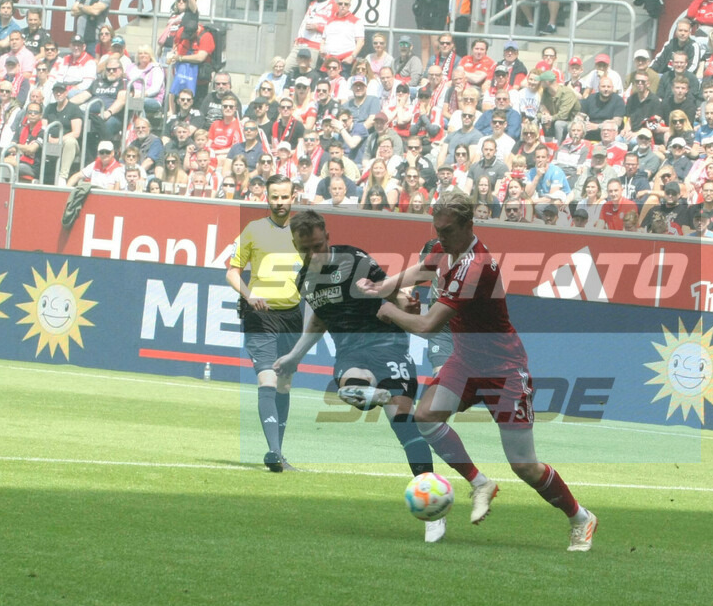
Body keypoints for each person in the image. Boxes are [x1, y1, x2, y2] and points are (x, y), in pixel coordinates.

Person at [361, 191, 597, 551]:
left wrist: (388, 310)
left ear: (468, 225)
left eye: (447, 230)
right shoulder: (444, 249)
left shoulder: (475, 267)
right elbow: (420, 270)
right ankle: (479, 482)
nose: (441, 237)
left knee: (524, 466)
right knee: (425, 417)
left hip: (504, 369)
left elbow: (427, 325)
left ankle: (580, 517)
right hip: (466, 361)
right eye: (437, 229)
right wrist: (382, 286)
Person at [269, 210, 442, 541]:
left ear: (327, 237)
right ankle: (373, 395)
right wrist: (294, 357)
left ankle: (433, 513)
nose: (313, 254)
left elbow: (388, 289)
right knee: (352, 389)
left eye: (318, 246)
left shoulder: (353, 259)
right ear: (295, 245)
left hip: (388, 346)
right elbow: (319, 320)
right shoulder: (304, 280)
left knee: (403, 424)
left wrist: (405, 303)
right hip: (350, 353)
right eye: (305, 249)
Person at [226, 174, 305, 473]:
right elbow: (232, 272)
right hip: (260, 316)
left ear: (293, 197)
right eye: (275, 197)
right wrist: (249, 295)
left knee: (284, 384)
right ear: (267, 198)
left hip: (292, 316)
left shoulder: (303, 232)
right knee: (267, 379)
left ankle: (279, 454)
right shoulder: (253, 229)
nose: (280, 202)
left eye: (284, 197)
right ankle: (273, 453)